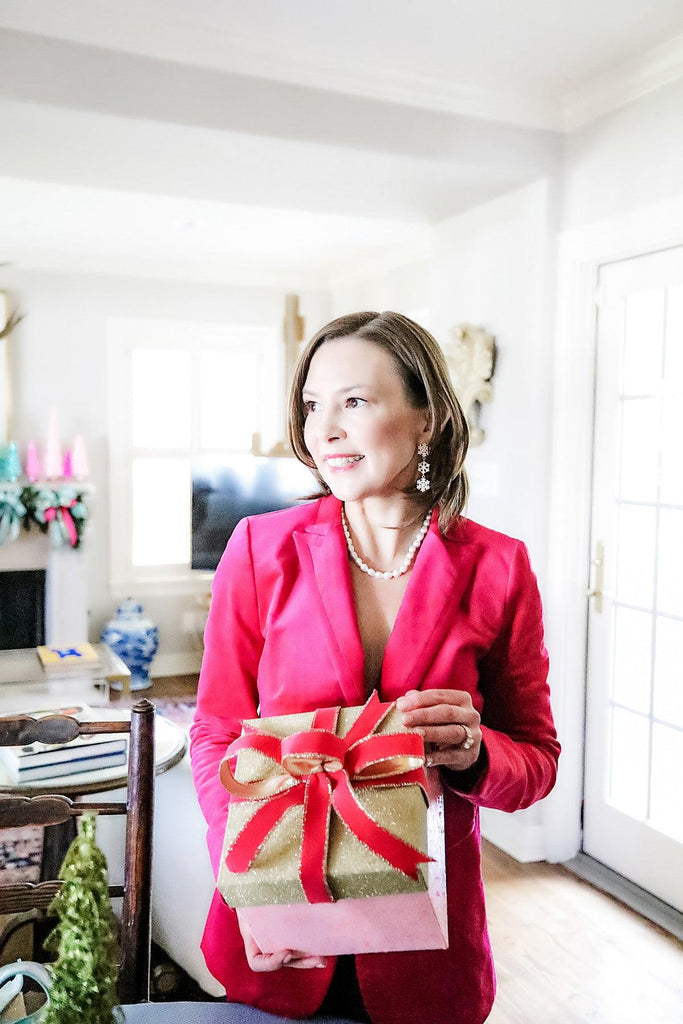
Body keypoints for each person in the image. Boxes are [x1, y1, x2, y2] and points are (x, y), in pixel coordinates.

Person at [190, 311, 560, 1024]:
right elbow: (214, 734)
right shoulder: (259, 549)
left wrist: (478, 753)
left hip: (426, 954)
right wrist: (245, 880)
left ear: (425, 419)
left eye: (354, 401)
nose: (322, 429)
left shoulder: (498, 567)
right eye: (311, 405)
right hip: (278, 939)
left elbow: (536, 763)